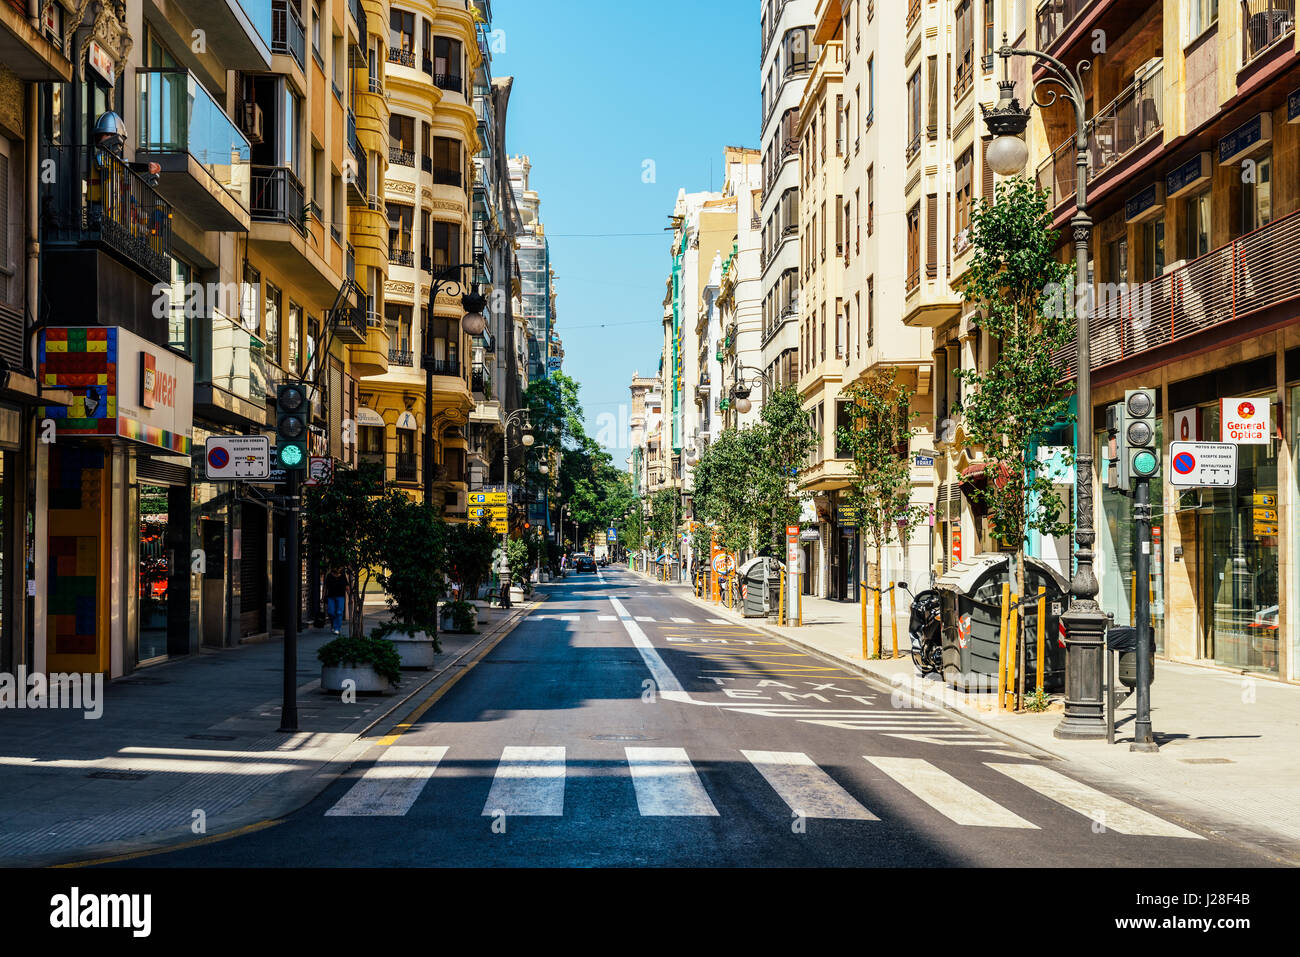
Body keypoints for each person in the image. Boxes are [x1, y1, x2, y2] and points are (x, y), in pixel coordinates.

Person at [324, 567, 348, 635]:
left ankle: (337, 628)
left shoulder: (343, 576)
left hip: (340, 596)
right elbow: (326, 587)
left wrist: (350, 596)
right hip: (331, 596)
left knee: (339, 612)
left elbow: (347, 586)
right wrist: (323, 596)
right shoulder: (329, 576)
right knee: (331, 612)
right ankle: (333, 624)